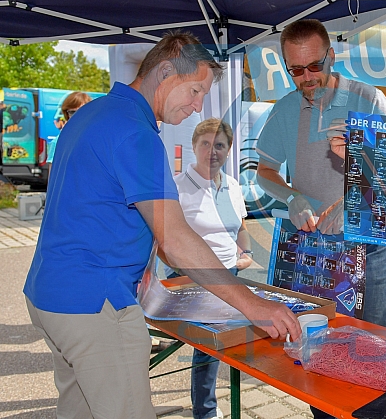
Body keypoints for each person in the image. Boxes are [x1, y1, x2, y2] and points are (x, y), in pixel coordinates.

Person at [23, 31, 300, 419]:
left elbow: (102, 207)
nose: (199, 106)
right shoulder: (136, 134)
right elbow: (175, 239)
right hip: (94, 303)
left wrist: (146, 265)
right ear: (166, 70)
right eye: (194, 90)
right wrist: (255, 305)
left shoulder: (93, 113)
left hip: (51, 295)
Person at [255, 19, 386, 419]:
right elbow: (263, 172)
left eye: (314, 66)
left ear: (331, 57)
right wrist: (292, 195)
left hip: (370, 248)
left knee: (374, 347)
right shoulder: (285, 110)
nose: (306, 78)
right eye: (295, 70)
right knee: (319, 349)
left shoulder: (368, 100)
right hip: (314, 252)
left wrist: (356, 199)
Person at [165, 118, 252, 419]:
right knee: (208, 346)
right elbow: (164, 241)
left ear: (228, 150)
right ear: (193, 147)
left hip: (229, 274)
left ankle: (210, 407)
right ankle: (205, 411)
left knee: (223, 342)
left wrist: (247, 251)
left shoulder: (232, 185)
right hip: (191, 279)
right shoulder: (176, 187)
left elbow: (240, 227)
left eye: (219, 145)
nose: (212, 151)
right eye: (205, 144)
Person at [46, 91, 92, 180]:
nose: (77, 116)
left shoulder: (99, 138)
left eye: (81, 111)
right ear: (66, 114)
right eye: (72, 112)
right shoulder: (60, 141)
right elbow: (53, 178)